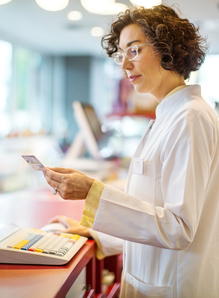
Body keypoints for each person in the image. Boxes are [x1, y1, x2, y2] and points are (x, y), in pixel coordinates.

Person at [43, 4, 219, 298]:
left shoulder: (190, 118)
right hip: (152, 278)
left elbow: (178, 228)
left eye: (134, 51)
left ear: (168, 49)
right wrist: (98, 233)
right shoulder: (168, 117)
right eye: (121, 55)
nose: (125, 65)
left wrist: (93, 193)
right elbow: (150, 213)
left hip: (172, 287)